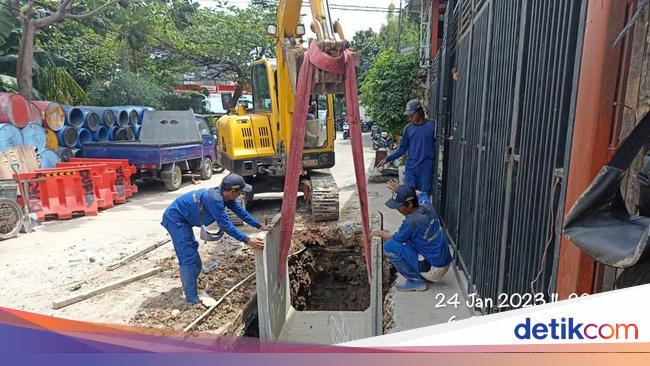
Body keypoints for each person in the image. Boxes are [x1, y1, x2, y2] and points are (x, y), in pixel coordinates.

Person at [161, 173, 271, 305]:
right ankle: (192, 299)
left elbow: (241, 212)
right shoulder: (214, 199)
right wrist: (247, 240)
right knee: (188, 256)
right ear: (232, 191)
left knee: (192, 247)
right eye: (240, 192)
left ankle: (194, 282)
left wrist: (259, 225)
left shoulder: (226, 197)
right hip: (175, 219)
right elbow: (226, 225)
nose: (241, 195)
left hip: (184, 219)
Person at [372, 184, 453, 292]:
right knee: (410, 240)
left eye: (399, 206)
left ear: (409, 204)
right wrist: (404, 191)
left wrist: (379, 233)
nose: (397, 209)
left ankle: (416, 281)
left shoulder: (411, 222)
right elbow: (421, 194)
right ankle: (422, 272)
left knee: (389, 246)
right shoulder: (426, 205)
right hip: (443, 261)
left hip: (434, 270)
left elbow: (396, 239)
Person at [377, 99, 436, 196]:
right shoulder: (408, 129)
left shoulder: (432, 126)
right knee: (409, 196)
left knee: (423, 197)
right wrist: (387, 159)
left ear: (419, 112)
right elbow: (402, 149)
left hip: (426, 168)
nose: (410, 117)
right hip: (411, 169)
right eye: (409, 115)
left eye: (412, 114)